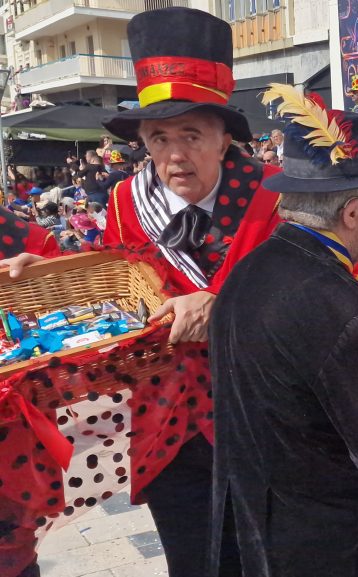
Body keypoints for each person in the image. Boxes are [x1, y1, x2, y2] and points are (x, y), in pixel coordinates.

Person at [0, 8, 285, 577]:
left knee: (267, 557)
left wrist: (221, 302)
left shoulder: (274, 198)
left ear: (225, 136)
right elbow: (116, 290)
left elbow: (307, 302)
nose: (175, 154)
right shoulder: (128, 202)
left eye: (191, 135)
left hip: (263, 414)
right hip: (169, 418)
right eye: (159, 137)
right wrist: (53, 273)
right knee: (191, 558)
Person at [209, 90, 358, 577]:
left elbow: (295, 378)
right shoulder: (353, 309)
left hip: (257, 524)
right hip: (335, 545)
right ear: (351, 213)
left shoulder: (244, 272)